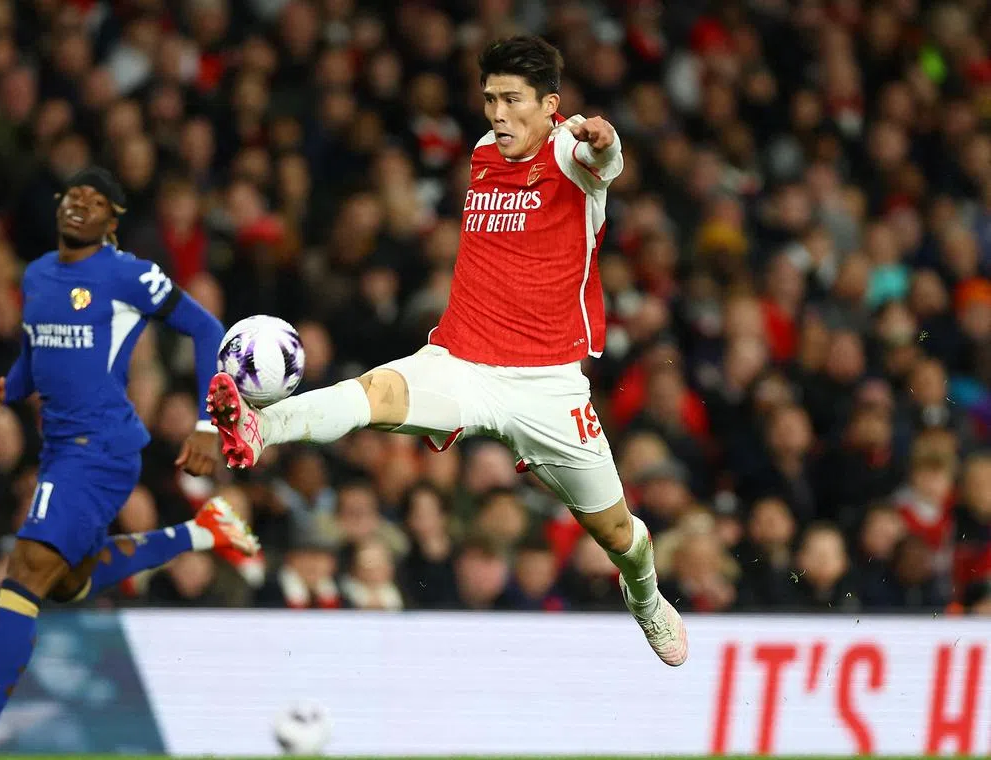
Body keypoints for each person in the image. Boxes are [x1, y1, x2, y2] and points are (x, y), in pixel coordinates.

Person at [208, 37, 687, 665]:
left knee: (618, 535)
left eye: (512, 100)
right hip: (461, 359)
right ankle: (259, 424)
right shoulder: (486, 153)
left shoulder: (572, 154)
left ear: (549, 105)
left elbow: (606, 158)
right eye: (489, 98)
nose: (496, 113)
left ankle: (647, 600)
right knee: (376, 395)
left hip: (546, 384)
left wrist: (603, 141)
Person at [0, 167, 260, 760]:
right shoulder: (36, 275)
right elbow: (38, 354)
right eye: (72, 195)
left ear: (114, 220)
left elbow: (206, 326)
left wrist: (211, 423)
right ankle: (200, 530)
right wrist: (6, 390)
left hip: (99, 449)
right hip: (61, 446)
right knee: (65, 584)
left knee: (25, 570)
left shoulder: (129, 274)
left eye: (96, 199)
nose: (79, 204)